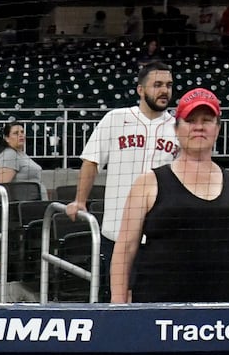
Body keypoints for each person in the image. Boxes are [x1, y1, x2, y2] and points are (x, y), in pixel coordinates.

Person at [110, 89, 229, 303]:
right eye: (190, 120)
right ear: (176, 128)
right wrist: (118, 304)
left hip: (227, 310)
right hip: (162, 313)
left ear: (217, 128)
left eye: (207, 120)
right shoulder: (148, 183)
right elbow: (125, 249)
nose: (199, 127)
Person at [65, 61, 177, 289]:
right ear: (140, 89)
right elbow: (91, 161)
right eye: (157, 84)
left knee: (157, 297)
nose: (165, 90)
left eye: (169, 85)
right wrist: (80, 200)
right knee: (119, 296)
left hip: (161, 233)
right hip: (117, 230)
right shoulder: (116, 119)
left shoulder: (178, 127)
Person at [0, 119, 43, 195]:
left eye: (22, 132)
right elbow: (2, 187)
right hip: (23, 203)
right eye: (16, 133)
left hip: (33, 202)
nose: (21, 135)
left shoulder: (21, 154)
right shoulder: (9, 155)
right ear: (7, 138)